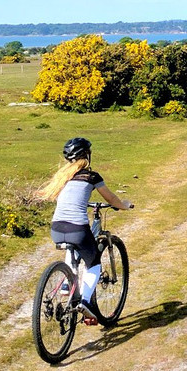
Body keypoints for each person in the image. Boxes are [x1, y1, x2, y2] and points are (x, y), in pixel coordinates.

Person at [37, 136, 134, 319]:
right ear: (87, 155)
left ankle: (66, 285)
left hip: (56, 228)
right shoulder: (92, 176)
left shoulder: (62, 178)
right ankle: (86, 302)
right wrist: (124, 205)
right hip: (77, 230)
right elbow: (111, 199)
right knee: (94, 263)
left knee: (72, 248)